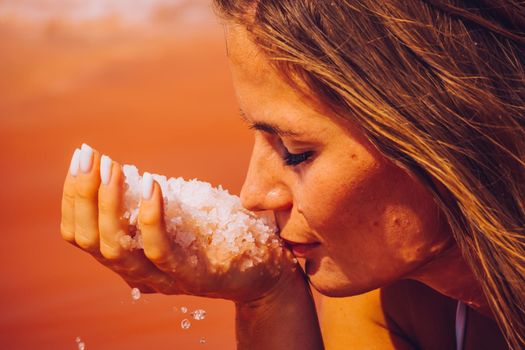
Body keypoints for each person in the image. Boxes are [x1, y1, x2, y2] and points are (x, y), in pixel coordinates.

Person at [60, 1, 525, 349]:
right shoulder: (389, 296)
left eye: (297, 152)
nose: (252, 196)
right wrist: (270, 298)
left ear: (453, 133)